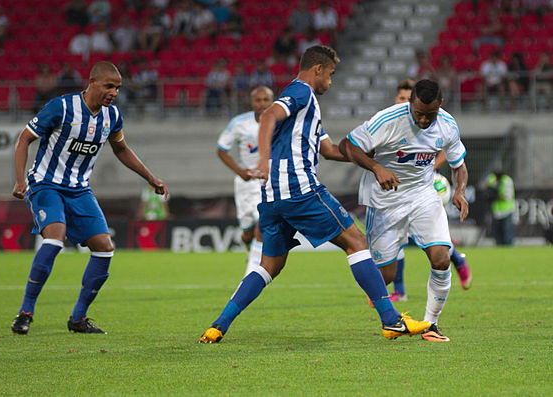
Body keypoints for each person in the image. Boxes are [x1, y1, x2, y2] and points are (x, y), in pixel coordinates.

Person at [199, 45, 430, 344]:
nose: (331, 83)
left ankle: (218, 326)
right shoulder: (302, 92)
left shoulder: (306, 108)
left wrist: (373, 158)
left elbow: (332, 150)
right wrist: (261, 160)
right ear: (318, 69)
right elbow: (268, 116)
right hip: (300, 189)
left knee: (270, 265)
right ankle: (391, 320)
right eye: (331, 75)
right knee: (356, 242)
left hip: (272, 198)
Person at [10, 61, 168, 335]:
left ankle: (78, 319)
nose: (114, 92)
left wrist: (150, 177)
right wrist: (21, 179)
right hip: (46, 183)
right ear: (92, 82)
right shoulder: (61, 107)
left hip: (79, 189)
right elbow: (24, 139)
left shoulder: (112, 116)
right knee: (55, 236)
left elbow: (121, 149)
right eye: (109, 86)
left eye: (117, 88)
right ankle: (25, 312)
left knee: (105, 247)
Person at [339, 79, 469, 342]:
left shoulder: (447, 124)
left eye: (429, 115)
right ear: (410, 103)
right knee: (384, 276)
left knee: (441, 259)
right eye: (419, 113)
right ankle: (390, 315)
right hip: (386, 201)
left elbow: (459, 165)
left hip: (423, 197)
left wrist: (459, 191)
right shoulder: (387, 119)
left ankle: (430, 325)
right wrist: (377, 168)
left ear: (440, 106)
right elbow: (348, 146)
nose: (423, 121)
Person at [387, 80, 472, 304]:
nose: (404, 102)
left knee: (430, 238)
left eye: (408, 98)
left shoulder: (439, 124)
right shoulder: (394, 121)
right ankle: (400, 291)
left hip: (425, 186)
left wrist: (431, 164)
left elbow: (449, 150)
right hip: (396, 189)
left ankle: (457, 260)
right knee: (396, 239)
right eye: (401, 99)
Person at [217, 86, 273, 276]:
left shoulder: (280, 122)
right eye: (258, 100)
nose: (262, 104)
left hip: (268, 182)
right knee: (248, 231)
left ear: (272, 101)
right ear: (251, 102)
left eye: (266, 100)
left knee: (262, 223)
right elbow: (221, 150)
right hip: (246, 184)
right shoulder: (239, 123)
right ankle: (251, 250)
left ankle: (253, 271)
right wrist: (240, 171)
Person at [486, 171, 515, 245]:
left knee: (507, 231)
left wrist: (496, 195)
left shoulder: (507, 181)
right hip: (496, 211)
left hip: (507, 210)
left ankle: (509, 247)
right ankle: (499, 247)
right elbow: (486, 186)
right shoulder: (492, 178)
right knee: (497, 232)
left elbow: (507, 196)